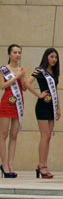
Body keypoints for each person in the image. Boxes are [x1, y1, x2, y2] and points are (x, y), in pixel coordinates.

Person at [25, 48, 60, 179]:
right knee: (45, 136)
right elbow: (27, 83)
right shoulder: (40, 71)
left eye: (56, 57)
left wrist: (58, 108)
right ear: (46, 57)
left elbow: (55, 91)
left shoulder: (54, 73)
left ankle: (41, 165)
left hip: (52, 106)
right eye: (51, 56)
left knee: (48, 137)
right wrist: (38, 94)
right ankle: (42, 165)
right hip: (42, 105)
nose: (54, 59)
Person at [0, 44, 25, 178]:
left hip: (18, 103)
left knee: (14, 135)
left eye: (19, 52)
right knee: (3, 134)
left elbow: (25, 88)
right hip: (6, 102)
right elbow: (2, 85)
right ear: (9, 54)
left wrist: (22, 77)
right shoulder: (4, 70)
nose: (17, 55)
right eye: (14, 52)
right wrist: (15, 77)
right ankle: (4, 164)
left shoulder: (21, 70)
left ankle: (10, 164)